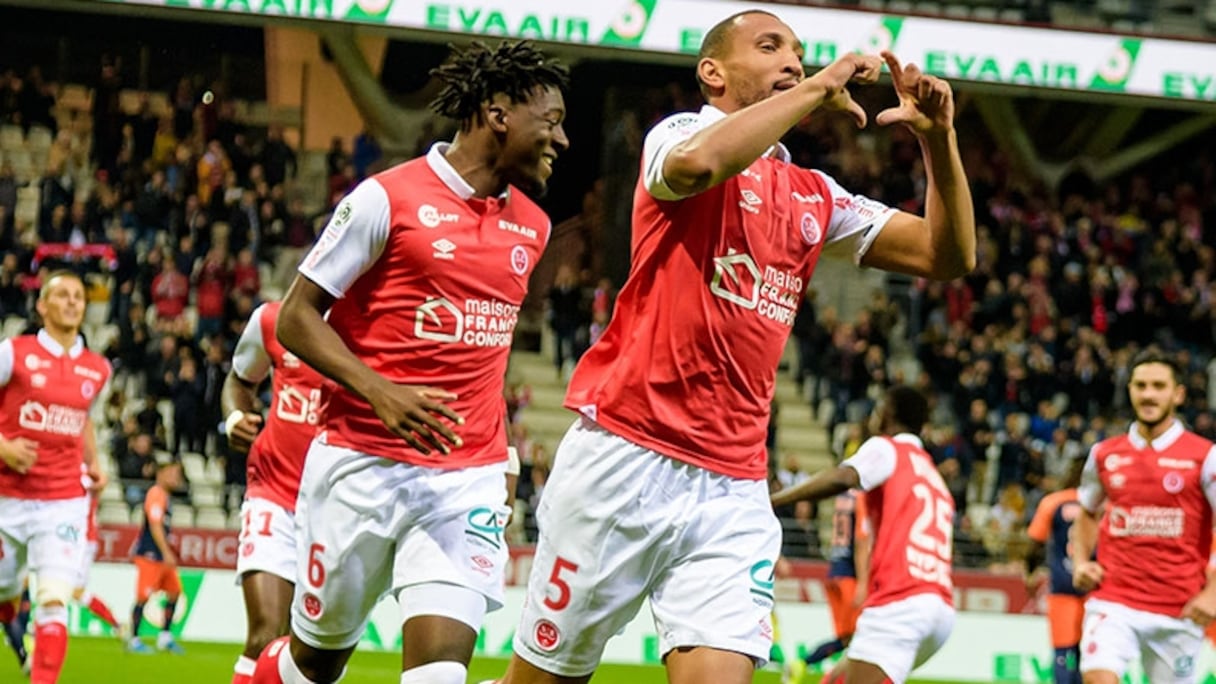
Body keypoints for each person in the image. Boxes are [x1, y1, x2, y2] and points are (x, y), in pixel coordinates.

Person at [499, 9, 973, 684]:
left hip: (732, 486)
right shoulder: (679, 134)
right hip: (626, 456)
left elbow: (946, 253)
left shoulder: (814, 196)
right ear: (713, 73)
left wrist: (940, 143)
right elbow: (699, 166)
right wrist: (814, 90)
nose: (793, 60)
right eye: (771, 46)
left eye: (800, 53)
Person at [249, 40, 568, 684]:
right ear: (498, 113)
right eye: (552, 120)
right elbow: (296, 317)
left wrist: (501, 453)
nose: (561, 139)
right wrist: (380, 392)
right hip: (359, 465)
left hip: (464, 479)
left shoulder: (532, 226)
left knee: (440, 673)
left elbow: (485, 354)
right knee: (313, 661)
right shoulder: (384, 200)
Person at [771, 386, 955, 684]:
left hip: (900, 601)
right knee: (836, 679)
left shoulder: (887, 448)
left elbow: (843, 477)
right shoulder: (933, 475)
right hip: (940, 609)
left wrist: (774, 500)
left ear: (888, 413)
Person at [1071, 350, 1216, 684]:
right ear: (1130, 389)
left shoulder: (1204, 456)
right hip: (1114, 599)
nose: (1148, 394)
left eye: (1158, 386)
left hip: (1180, 607)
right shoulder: (1104, 454)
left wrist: (1212, 594)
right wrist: (1081, 561)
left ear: (1177, 393)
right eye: (1140, 385)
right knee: (1097, 678)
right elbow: (1087, 513)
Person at [0, 269, 111, 684]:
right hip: (6, 498)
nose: (72, 302)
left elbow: (83, 421)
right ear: (42, 305)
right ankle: (10, 618)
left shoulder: (97, 368)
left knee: (53, 602)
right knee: (5, 593)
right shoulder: (14, 353)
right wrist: (4, 447)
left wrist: (94, 463)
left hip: (63, 500)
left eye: (78, 297)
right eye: (62, 295)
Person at [223, 299, 325, 684]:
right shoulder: (273, 319)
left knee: (310, 655)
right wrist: (235, 416)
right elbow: (239, 379)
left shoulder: (377, 327)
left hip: (340, 510)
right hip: (273, 493)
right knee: (265, 634)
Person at [783, 486, 869, 684]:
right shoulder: (862, 497)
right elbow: (861, 542)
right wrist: (864, 583)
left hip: (835, 570)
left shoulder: (844, 496)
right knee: (860, 639)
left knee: (848, 639)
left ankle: (802, 664)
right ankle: (824, 675)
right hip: (850, 575)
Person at [1026, 463, 1086, 684]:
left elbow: (1035, 543)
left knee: (1062, 653)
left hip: (1062, 587)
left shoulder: (1052, 502)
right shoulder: (1105, 503)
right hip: (1097, 590)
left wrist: (1029, 573)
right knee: (1090, 654)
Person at [126, 459, 185, 655]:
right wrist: (167, 551)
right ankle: (133, 638)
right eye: (172, 473)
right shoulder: (156, 494)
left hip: (161, 555)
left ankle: (165, 637)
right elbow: (155, 524)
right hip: (150, 555)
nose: (176, 478)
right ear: (161, 474)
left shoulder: (165, 496)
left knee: (175, 592)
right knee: (143, 596)